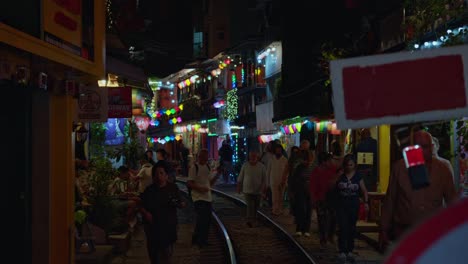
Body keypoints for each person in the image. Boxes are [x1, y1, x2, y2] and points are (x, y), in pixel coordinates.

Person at [380, 131, 457, 249]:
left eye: (425, 147)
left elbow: (452, 201)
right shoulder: (399, 168)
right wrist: (383, 229)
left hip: (432, 231)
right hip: (404, 231)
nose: (421, 150)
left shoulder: (442, 170)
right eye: (417, 146)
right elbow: (390, 199)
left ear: (432, 148)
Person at [139, 162, 186, 264]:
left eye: (161, 173)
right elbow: (141, 205)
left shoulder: (172, 188)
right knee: (154, 254)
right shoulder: (149, 190)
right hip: (153, 227)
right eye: (156, 174)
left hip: (168, 226)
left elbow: (180, 202)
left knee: (167, 253)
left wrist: (181, 204)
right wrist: (146, 213)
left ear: (166, 175)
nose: (158, 176)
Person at [335, 154, 369, 262]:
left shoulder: (358, 176)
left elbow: (364, 190)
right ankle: (342, 251)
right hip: (341, 205)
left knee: (351, 227)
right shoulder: (340, 175)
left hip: (353, 205)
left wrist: (366, 202)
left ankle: (349, 250)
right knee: (342, 227)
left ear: (354, 165)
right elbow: (333, 188)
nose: (349, 167)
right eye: (347, 165)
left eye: (351, 165)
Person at [187, 149, 220, 248]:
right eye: (203, 156)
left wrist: (218, 174)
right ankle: (200, 240)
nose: (205, 158)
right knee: (202, 219)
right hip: (198, 197)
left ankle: (200, 239)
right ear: (199, 157)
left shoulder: (207, 167)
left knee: (206, 219)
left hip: (207, 197)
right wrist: (200, 188)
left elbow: (210, 182)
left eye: (206, 156)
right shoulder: (194, 167)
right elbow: (189, 182)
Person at [310, 152, 337, 247]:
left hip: (332, 199)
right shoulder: (317, 171)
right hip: (320, 199)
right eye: (330, 160)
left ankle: (330, 236)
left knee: (333, 219)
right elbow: (313, 186)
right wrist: (314, 199)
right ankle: (323, 239)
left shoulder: (333, 170)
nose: (332, 162)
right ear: (324, 162)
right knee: (322, 220)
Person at [237, 151, 267, 227]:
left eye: (254, 156)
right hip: (247, 190)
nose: (253, 157)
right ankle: (250, 220)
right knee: (250, 206)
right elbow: (240, 177)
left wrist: (263, 189)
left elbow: (264, 179)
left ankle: (254, 219)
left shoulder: (262, 166)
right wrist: (239, 187)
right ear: (249, 157)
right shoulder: (245, 165)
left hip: (258, 190)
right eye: (252, 156)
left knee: (256, 207)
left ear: (257, 157)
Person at [290, 149, 315, 237]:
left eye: (309, 160)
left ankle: (306, 229)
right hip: (300, 191)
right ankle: (299, 228)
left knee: (309, 210)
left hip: (310, 191)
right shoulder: (299, 168)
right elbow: (294, 180)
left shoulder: (313, 167)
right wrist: (293, 191)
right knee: (301, 209)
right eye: (306, 160)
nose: (307, 162)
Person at [267, 144, 289, 216]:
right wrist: (267, 182)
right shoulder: (271, 159)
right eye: (277, 150)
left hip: (282, 181)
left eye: (279, 150)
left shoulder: (285, 160)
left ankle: (279, 209)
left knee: (281, 196)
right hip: (273, 180)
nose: (278, 151)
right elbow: (268, 171)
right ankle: (275, 209)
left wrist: (285, 181)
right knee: (274, 196)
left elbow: (287, 172)